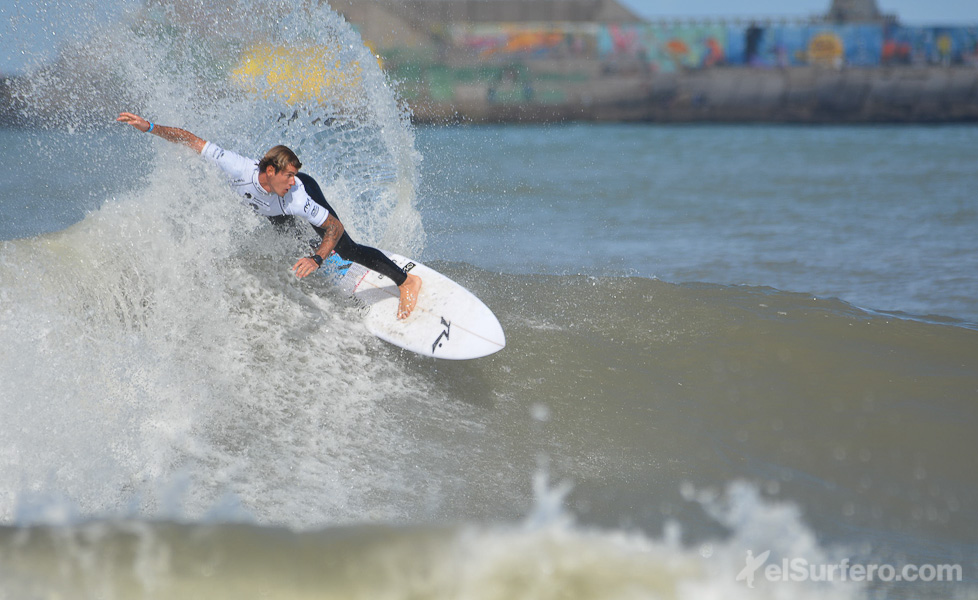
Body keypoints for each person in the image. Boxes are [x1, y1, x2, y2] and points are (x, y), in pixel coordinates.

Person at [116, 112, 422, 319]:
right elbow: (190, 139)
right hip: (268, 208)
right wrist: (151, 128)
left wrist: (318, 258)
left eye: (295, 176)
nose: (292, 181)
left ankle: (405, 280)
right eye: (288, 175)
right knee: (287, 235)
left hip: (288, 205)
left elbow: (335, 227)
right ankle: (324, 261)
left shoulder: (298, 196)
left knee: (345, 247)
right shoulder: (236, 167)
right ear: (269, 171)